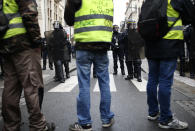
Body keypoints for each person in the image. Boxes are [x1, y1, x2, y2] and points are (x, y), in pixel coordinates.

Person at [0, 0, 54, 130]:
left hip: (5, 43)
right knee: (32, 84)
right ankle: (37, 124)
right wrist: (36, 41)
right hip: (23, 42)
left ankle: (11, 125)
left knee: (10, 86)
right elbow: (29, 14)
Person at [64, 0, 115, 130]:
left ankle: (85, 123)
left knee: (84, 86)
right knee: (104, 83)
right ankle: (106, 118)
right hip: (102, 45)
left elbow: (69, 20)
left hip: (84, 45)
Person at [145, 0, 194, 129]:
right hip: (169, 44)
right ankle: (165, 118)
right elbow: (191, 15)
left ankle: (153, 112)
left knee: (152, 79)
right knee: (165, 81)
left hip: (151, 45)